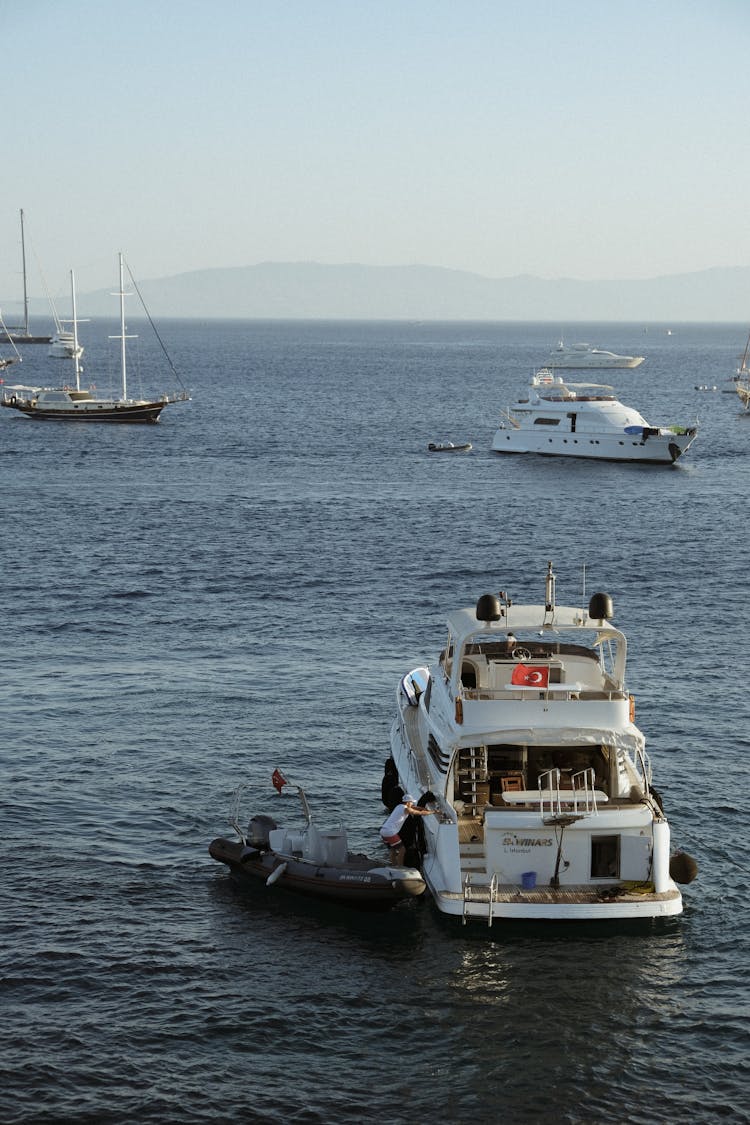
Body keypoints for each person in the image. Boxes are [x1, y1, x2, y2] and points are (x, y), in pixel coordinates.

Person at [379, 792, 435, 866]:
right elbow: (417, 813)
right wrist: (433, 812)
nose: (412, 804)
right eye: (412, 802)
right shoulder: (406, 809)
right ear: (408, 802)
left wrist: (423, 808)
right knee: (402, 850)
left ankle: (394, 866)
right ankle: (400, 867)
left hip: (383, 831)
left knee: (393, 850)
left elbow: (414, 808)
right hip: (390, 832)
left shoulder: (399, 806)